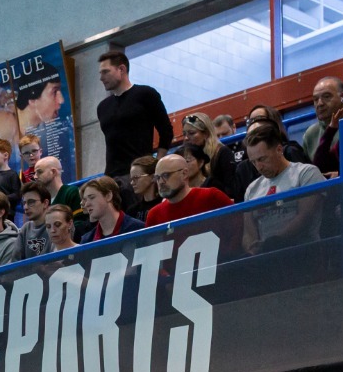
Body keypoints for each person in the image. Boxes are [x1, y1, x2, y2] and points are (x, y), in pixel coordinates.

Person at [240, 124, 326, 252]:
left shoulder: (306, 173)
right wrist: (252, 249)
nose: (259, 167)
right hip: (266, 257)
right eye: (253, 162)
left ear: (279, 150)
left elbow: (305, 218)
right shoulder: (251, 189)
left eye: (262, 159)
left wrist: (272, 244)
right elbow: (248, 233)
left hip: (303, 250)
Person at [94, 49, 172, 177]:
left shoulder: (145, 95)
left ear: (122, 69)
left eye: (106, 72)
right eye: (100, 73)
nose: (101, 78)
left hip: (140, 173)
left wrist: (157, 165)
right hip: (112, 175)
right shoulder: (102, 107)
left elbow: (166, 131)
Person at [143, 154, 232, 227]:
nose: (161, 182)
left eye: (166, 175)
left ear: (184, 174)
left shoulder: (211, 197)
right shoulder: (154, 215)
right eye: (157, 178)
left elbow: (237, 224)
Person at [302, 76, 343, 175]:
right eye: (315, 99)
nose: (320, 103)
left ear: (342, 97)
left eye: (326, 97)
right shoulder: (310, 134)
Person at [79, 177, 144, 242]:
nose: (86, 204)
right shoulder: (87, 240)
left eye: (92, 197)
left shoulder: (137, 229)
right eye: (85, 200)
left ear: (108, 196)